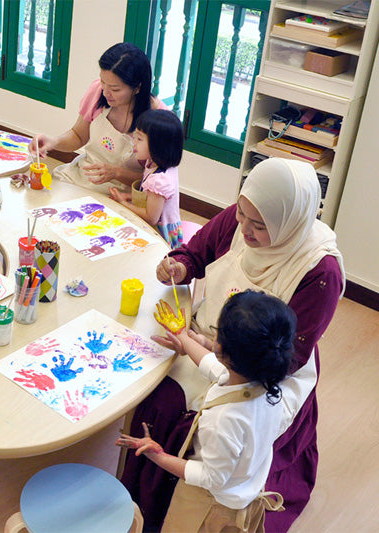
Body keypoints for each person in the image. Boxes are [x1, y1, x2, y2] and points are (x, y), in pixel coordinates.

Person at [121, 157, 345, 531]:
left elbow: (288, 358)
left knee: (187, 421)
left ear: (290, 221)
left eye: (259, 226)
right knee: (155, 395)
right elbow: (197, 252)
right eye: (241, 214)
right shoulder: (243, 217)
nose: (244, 228)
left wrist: (211, 346)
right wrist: (179, 266)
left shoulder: (321, 271)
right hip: (220, 345)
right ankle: (137, 496)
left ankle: (163, 510)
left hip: (266, 366)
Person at [118, 290, 294, 532]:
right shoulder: (265, 384)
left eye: (217, 333)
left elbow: (212, 478)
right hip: (244, 486)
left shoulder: (224, 419)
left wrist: (157, 456)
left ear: (226, 351)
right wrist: (184, 337)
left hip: (213, 507)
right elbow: (213, 366)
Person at [29, 42, 166, 194]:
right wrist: (53, 142)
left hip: (120, 195)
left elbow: (155, 181)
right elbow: (78, 135)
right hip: (80, 177)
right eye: (103, 82)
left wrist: (116, 173)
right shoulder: (97, 91)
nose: (106, 92)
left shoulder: (159, 118)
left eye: (115, 89)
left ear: (138, 87)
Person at [109, 109, 184, 248]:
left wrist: (123, 204)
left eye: (139, 139)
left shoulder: (159, 181)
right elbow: (149, 197)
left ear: (158, 145)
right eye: (135, 136)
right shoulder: (155, 163)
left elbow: (151, 218)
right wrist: (128, 196)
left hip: (160, 237)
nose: (134, 143)